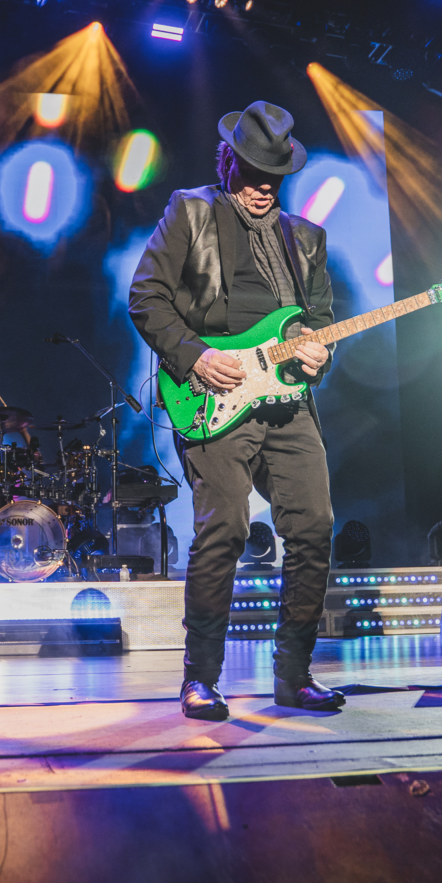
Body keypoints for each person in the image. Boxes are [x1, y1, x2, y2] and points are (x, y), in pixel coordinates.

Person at [128, 101, 342, 720]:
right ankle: (200, 679)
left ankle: (294, 675)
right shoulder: (190, 211)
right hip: (216, 396)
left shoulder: (306, 238)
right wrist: (193, 357)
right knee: (223, 529)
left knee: (315, 526)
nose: (261, 186)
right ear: (227, 162)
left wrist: (318, 352)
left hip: (286, 402)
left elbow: (321, 321)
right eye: (250, 171)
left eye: (272, 175)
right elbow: (147, 296)